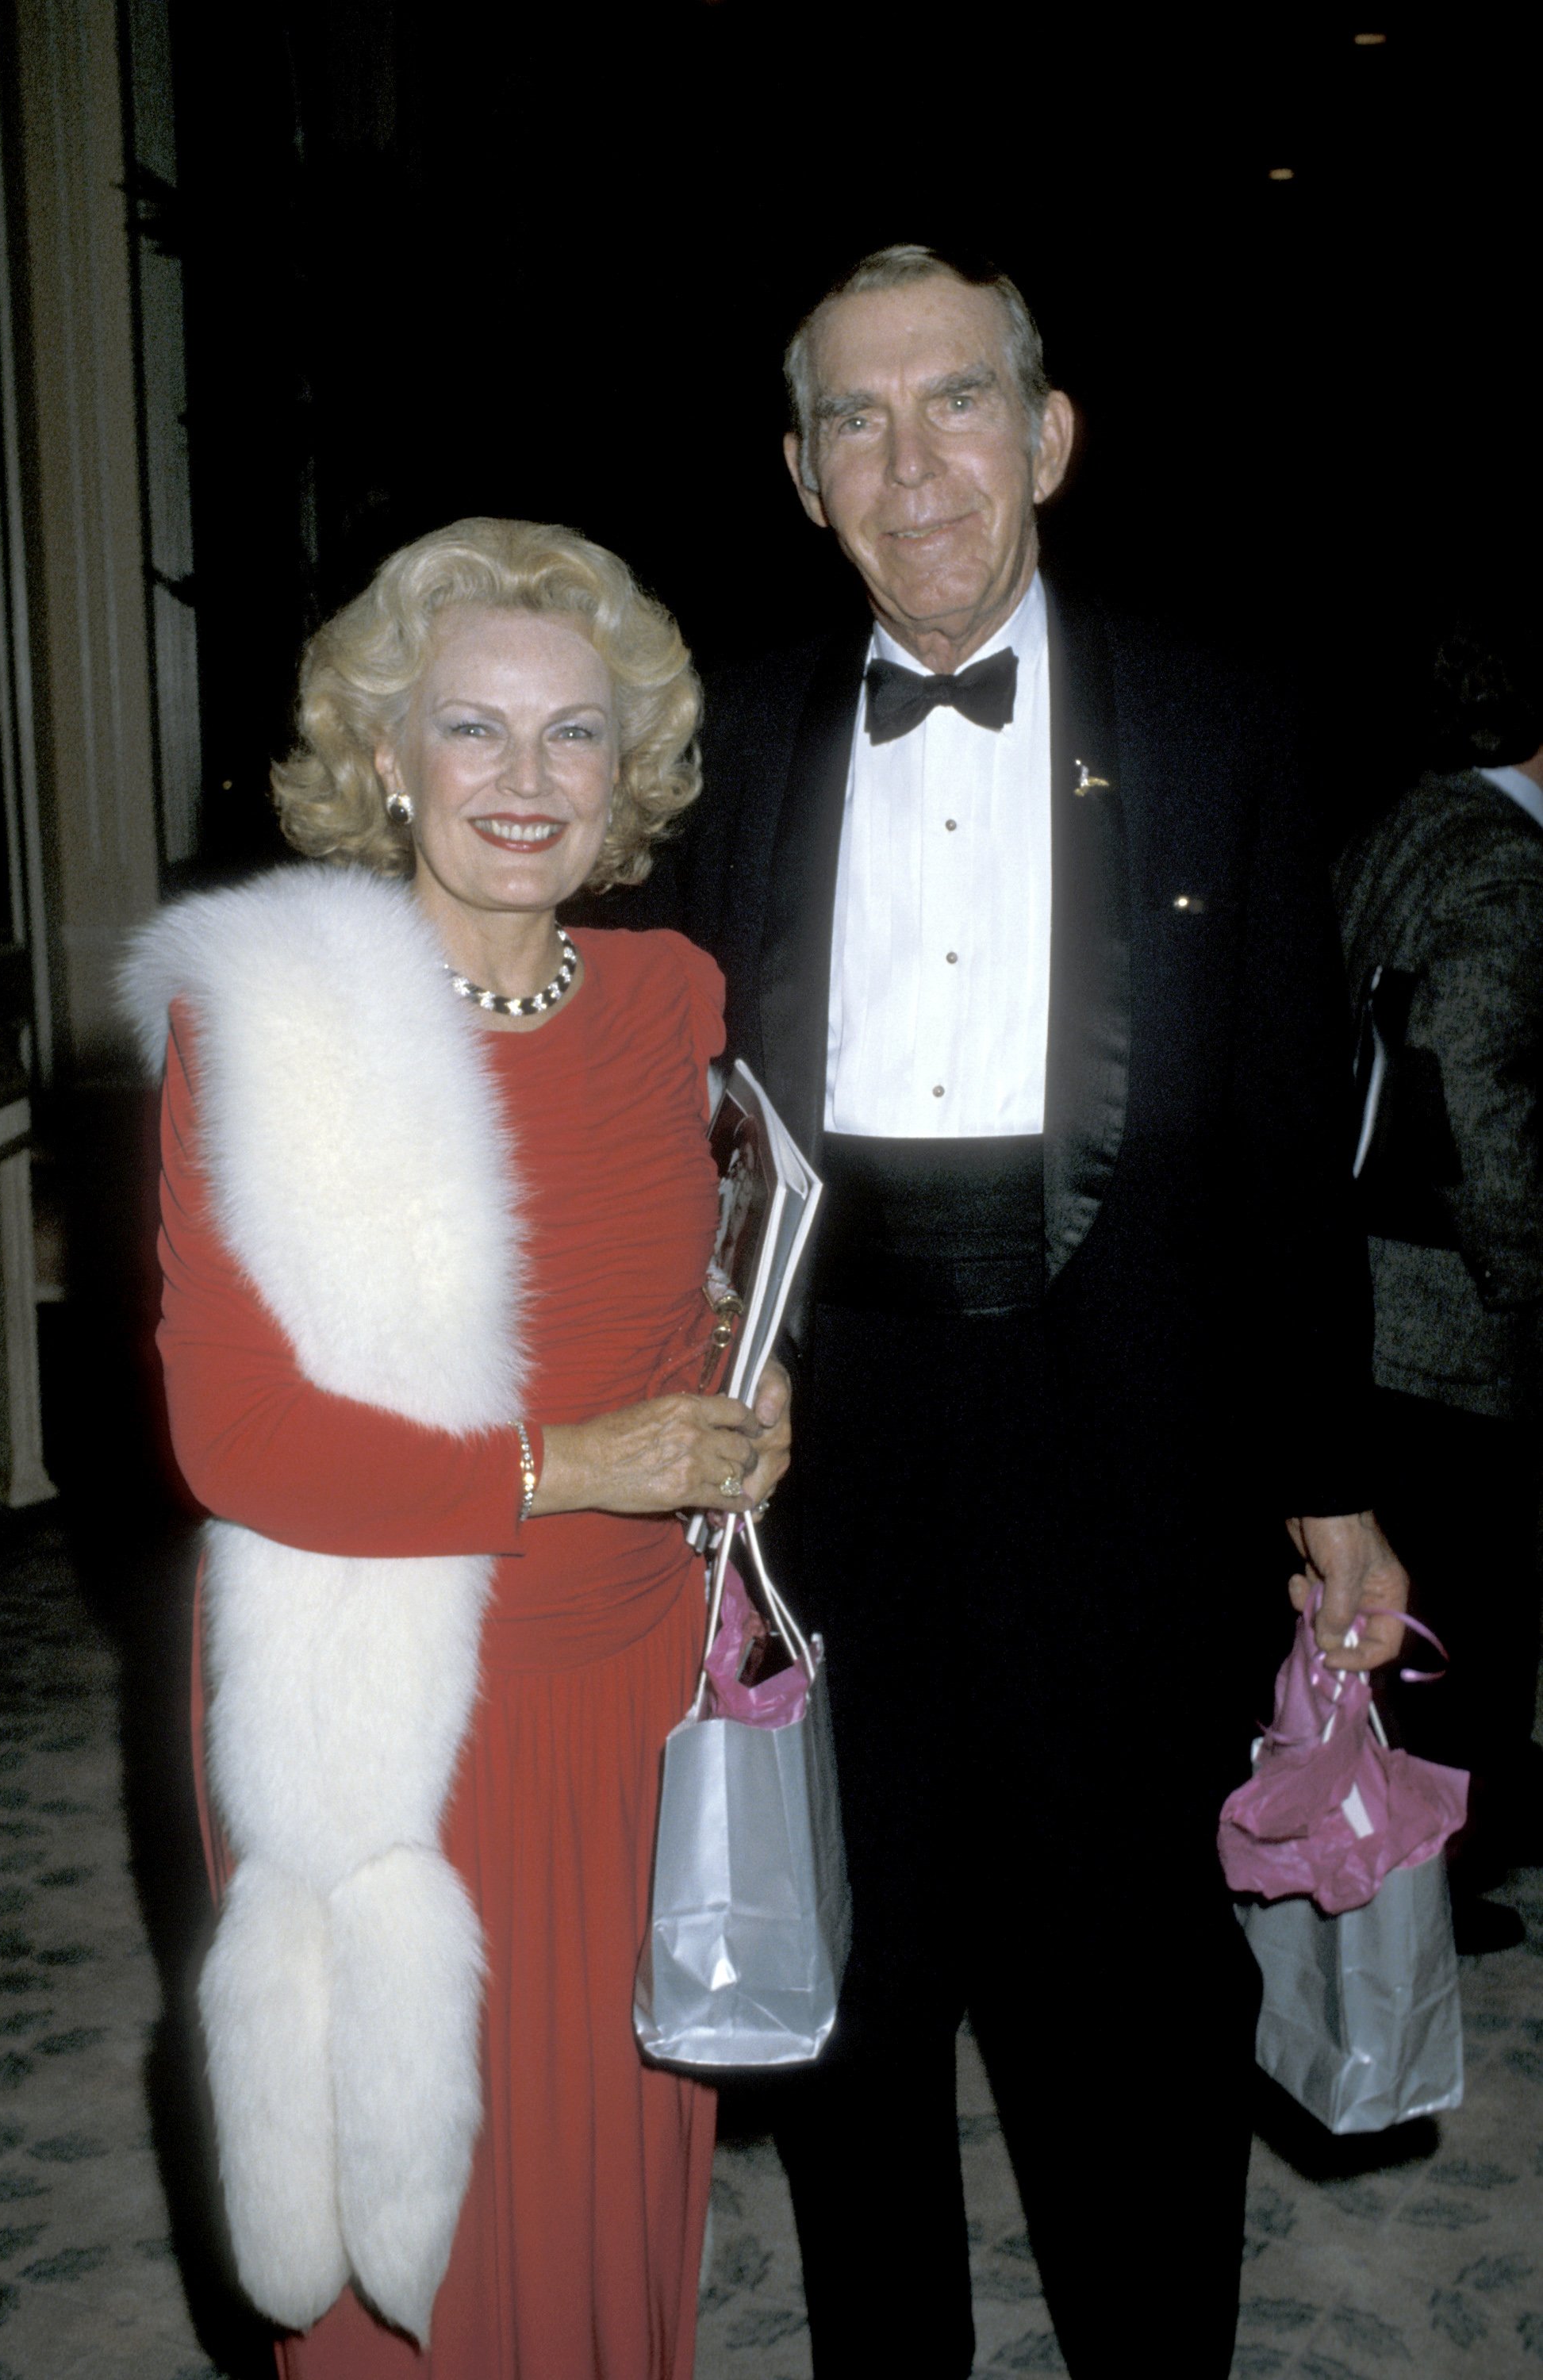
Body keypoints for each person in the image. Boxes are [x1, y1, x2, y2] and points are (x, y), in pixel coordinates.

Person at [625, 246, 1410, 2378]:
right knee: (852, 1991)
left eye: (954, 403)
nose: (914, 466)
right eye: (855, 424)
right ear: (798, 475)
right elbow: (653, 1113)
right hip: (822, 1432)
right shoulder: (733, 731)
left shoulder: (1216, 715)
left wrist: (1325, 1476)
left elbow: (1276, 1124)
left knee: (1131, 1990)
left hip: (1128, 1428)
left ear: (1045, 437)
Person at [124, 518, 792, 2380]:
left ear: (627, 775)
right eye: (472, 729)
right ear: (386, 756)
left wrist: (751, 1394)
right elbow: (234, 1435)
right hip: (402, 1695)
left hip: (635, 1674)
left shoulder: (672, 1000)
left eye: (574, 735)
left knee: (611, 2173)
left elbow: (692, 1302)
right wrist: (574, 1464)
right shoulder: (265, 1019)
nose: (525, 779)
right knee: (411, 2199)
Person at [1337, 616, 1543, 1952]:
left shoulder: (1396, 827)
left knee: (1386, 1612)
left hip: (1357, 1287)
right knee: (1457, 1615)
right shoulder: (1507, 869)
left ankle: (1392, 1857)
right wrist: (1527, 1267)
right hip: (1447, 1312)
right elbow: (1474, 1094)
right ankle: (1435, 1883)